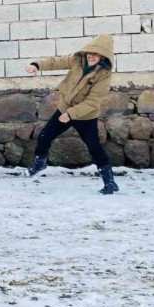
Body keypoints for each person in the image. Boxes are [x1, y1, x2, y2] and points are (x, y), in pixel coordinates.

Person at [24, 33, 120, 195]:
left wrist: (70, 114)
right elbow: (56, 61)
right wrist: (37, 65)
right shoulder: (77, 60)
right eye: (91, 52)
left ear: (103, 56)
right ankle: (39, 164)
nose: (92, 56)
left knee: (94, 148)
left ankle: (110, 183)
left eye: (96, 54)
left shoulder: (104, 75)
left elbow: (93, 102)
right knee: (44, 136)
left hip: (85, 116)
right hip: (64, 108)